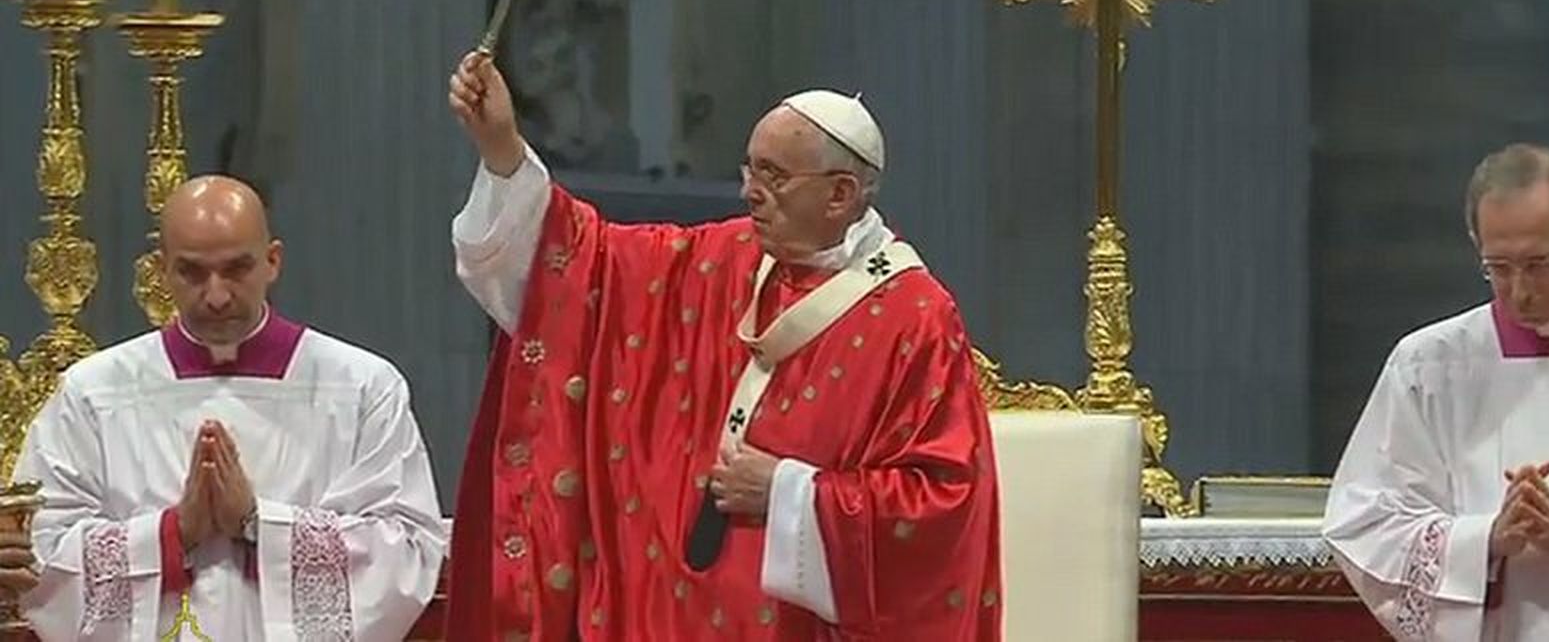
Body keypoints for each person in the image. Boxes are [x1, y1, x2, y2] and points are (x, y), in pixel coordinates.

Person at [445, 51, 1002, 640]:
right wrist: (502, 148)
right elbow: (582, 266)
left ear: (841, 195)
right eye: (749, 170)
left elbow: (944, 504)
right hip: (668, 610)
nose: (750, 193)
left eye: (774, 177)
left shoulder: (915, 318)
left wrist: (791, 491)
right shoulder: (722, 260)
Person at [12, 176, 446, 641]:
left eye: (236, 269)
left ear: (272, 261)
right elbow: (40, 556)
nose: (216, 296)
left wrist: (260, 525)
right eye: (192, 272)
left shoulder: (362, 387)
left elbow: (408, 552)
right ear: (162, 270)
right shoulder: (92, 393)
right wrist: (173, 533)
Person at [1323, 143, 1549, 640]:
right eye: (1498, 267)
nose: (1520, 290)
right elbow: (1364, 522)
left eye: (1539, 264)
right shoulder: (1429, 364)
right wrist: (1483, 541)